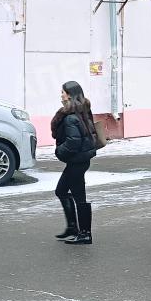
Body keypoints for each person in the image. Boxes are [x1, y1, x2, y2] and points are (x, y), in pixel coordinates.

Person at [52, 81, 97, 245]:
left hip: (77, 161)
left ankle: (85, 233)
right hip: (81, 160)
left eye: (63, 92)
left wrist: (59, 151)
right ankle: (73, 227)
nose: (61, 95)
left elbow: (73, 142)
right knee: (61, 191)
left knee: (78, 196)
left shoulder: (71, 117)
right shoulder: (82, 110)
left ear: (70, 95)